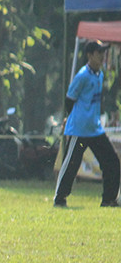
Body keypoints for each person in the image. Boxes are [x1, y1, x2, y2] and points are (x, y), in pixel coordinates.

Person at [54, 39, 121, 208]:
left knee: (112, 162)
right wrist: (67, 119)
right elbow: (70, 99)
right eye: (99, 53)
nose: (102, 56)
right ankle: (59, 199)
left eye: (103, 52)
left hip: (95, 129)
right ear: (90, 55)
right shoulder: (82, 75)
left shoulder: (99, 75)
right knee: (71, 165)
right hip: (79, 129)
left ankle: (108, 200)